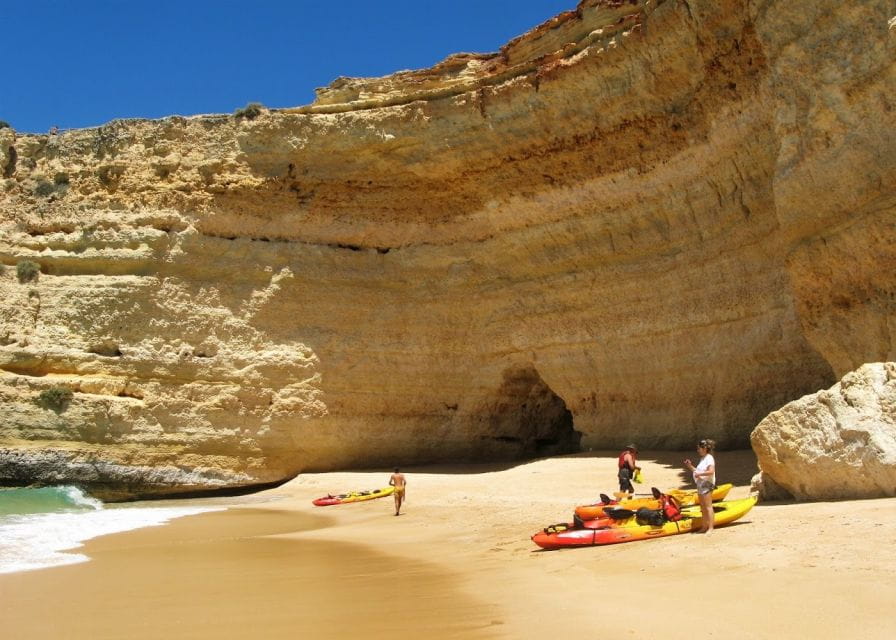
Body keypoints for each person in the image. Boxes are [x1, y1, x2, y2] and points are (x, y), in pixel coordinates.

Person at [684, 439, 716, 534]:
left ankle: (710, 528)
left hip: (706, 484)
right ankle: (704, 526)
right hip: (700, 484)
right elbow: (697, 471)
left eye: (699, 448)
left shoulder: (709, 458)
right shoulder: (703, 458)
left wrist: (700, 474)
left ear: (704, 448)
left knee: (708, 506)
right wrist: (689, 466)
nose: (698, 450)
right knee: (702, 506)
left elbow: (711, 471)